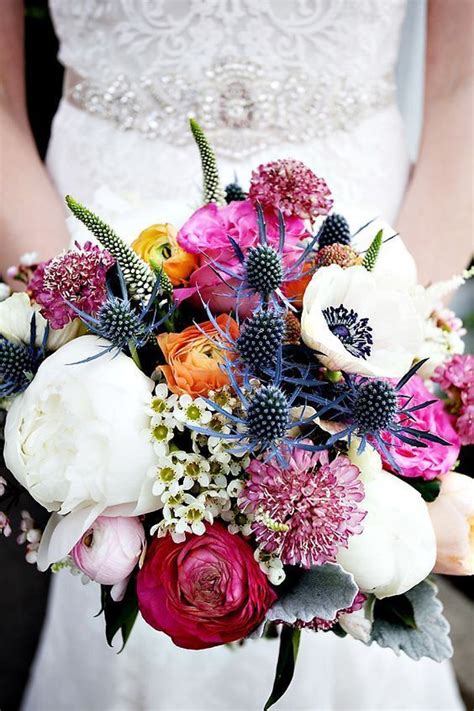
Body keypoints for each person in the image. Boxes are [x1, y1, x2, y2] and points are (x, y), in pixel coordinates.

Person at [0, 1, 472, 709]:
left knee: (364, 563)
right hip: (99, 262)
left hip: (356, 267)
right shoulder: (89, 318)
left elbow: (460, 88)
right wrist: (75, 334)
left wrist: (398, 332)